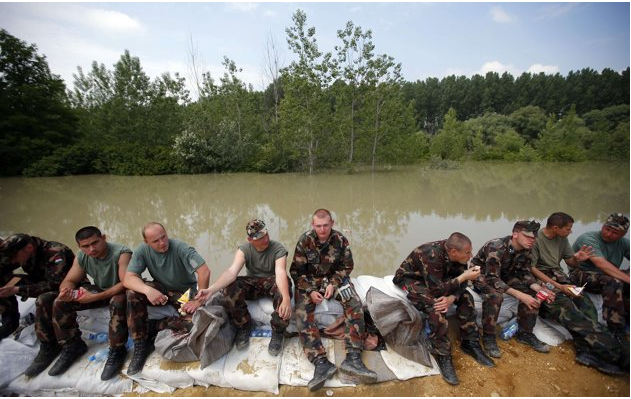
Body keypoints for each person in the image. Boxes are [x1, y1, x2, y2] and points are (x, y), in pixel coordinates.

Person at [23, 226, 132, 380]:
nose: (92, 249)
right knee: (47, 299)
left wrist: (94, 297)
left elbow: (125, 283)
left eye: (95, 243)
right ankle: (66, 345)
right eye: (86, 246)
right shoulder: (82, 255)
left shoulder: (121, 253)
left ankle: (117, 350)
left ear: (104, 238)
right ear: (79, 247)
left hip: (119, 291)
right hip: (99, 289)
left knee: (118, 301)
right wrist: (65, 291)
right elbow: (70, 280)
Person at [290, 209, 377, 392]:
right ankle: (321, 362)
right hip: (310, 283)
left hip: (335, 282)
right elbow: (297, 272)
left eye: (326, 225)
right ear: (313, 225)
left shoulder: (340, 240)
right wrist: (311, 291)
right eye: (318, 226)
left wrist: (334, 284)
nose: (322, 229)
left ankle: (353, 358)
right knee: (301, 313)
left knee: (355, 306)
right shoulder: (305, 241)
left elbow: (347, 266)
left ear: (332, 224)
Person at [392, 232, 494, 385]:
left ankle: (470, 342)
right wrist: (463, 277)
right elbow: (437, 291)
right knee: (436, 306)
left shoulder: (459, 255)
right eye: (468, 252)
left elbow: (462, 284)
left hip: (438, 278)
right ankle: (442, 354)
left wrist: (452, 297)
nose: (471, 255)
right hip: (413, 279)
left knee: (467, 297)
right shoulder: (431, 255)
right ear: (453, 252)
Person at [530, 212, 625, 375]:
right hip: (543, 284)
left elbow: (569, 261)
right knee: (570, 311)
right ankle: (619, 356)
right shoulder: (536, 239)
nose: (571, 232)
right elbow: (532, 269)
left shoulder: (561, 238)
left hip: (561, 279)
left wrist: (578, 258)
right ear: (555, 228)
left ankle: (584, 351)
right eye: (568, 228)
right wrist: (559, 287)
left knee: (587, 306)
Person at [123, 222, 210, 375]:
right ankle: (140, 344)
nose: (162, 243)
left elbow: (204, 272)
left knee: (194, 325)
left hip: (184, 292)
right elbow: (128, 278)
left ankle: (152, 326)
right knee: (132, 294)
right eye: (156, 241)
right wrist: (148, 290)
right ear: (146, 242)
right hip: (161, 289)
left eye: (164, 237)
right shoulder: (142, 251)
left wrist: (198, 301)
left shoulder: (181, 247)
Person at [196, 219, 292, 356]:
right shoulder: (244, 250)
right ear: (250, 239)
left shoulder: (278, 249)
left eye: (266, 235)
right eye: (259, 238)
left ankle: (278, 332)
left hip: (272, 281)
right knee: (230, 287)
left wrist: (286, 298)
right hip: (253, 283)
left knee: (285, 286)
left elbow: (281, 272)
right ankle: (243, 326)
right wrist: (211, 290)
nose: (265, 240)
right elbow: (231, 272)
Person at [471, 220, 552, 358]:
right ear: (515, 234)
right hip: (481, 275)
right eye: (527, 236)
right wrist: (520, 295)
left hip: (505, 274)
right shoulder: (496, 247)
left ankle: (524, 332)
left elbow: (525, 273)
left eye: (534, 238)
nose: (531, 240)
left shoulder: (527, 249)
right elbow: (492, 279)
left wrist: (538, 288)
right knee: (495, 296)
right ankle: (488, 336)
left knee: (533, 292)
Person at [569, 212, 629, 361]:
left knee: (617, 280)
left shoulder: (624, 243)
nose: (608, 234)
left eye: (615, 232)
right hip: (584, 274)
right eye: (607, 229)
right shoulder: (589, 238)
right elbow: (601, 264)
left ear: (623, 234)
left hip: (608, 276)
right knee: (614, 282)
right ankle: (616, 329)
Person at [0, 234, 74, 341]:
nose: (12, 261)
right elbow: (5, 264)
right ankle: (10, 321)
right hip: (41, 281)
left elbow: (55, 284)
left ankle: (49, 342)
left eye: (14, 257)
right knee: (4, 279)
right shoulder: (21, 250)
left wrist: (18, 290)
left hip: (64, 286)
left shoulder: (55, 252)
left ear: (29, 248)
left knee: (44, 299)